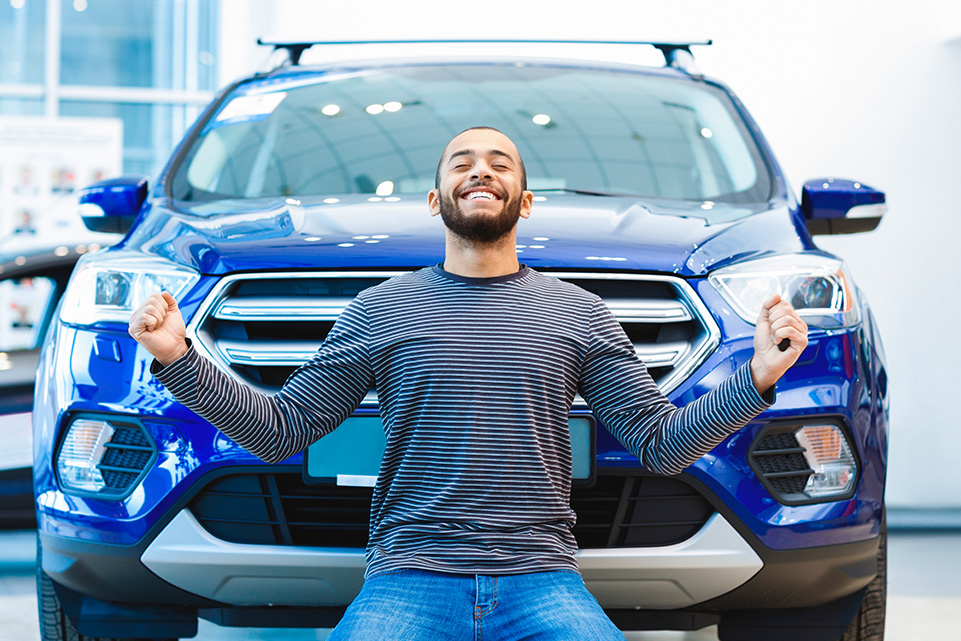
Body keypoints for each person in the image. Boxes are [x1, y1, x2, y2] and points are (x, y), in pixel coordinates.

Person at [129, 126, 808, 640]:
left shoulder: (577, 312)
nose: (480, 170)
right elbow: (280, 431)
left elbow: (660, 442)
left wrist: (757, 375)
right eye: (462, 163)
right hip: (407, 578)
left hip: (541, 579)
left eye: (498, 163)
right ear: (436, 198)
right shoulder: (380, 309)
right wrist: (180, 357)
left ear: (523, 199)